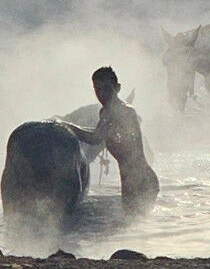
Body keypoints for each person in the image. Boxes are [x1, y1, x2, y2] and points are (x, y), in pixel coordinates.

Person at [57, 66, 159, 216]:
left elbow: (95, 138)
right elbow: (97, 133)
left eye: (106, 88)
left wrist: (65, 126)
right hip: (131, 182)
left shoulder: (124, 111)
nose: (102, 94)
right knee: (134, 230)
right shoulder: (105, 112)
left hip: (141, 182)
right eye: (97, 90)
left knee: (135, 227)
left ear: (117, 88)